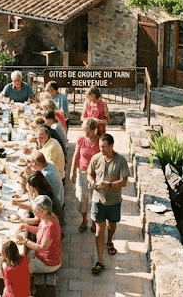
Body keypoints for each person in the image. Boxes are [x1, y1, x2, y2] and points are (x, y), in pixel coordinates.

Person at [87, 133, 129, 275]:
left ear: (112, 145)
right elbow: (90, 173)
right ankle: (100, 261)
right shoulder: (96, 158)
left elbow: (124, 181)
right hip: (98, 200)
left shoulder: (120, 160)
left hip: (113, 201)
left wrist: (109, 185)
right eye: (100, 146)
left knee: (112, 225)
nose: (102, 149)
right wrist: (93, 182)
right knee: (99, 230)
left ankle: (110, 241)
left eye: (105, 147)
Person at [69, 118, 101, 232]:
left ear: (94, 130)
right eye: (85, 131)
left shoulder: (99, 142)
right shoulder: (81, 141)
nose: (86, 134)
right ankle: (84, 220)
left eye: (89, 131)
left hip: (95, 176)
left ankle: (93, 221)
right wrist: (72, 171)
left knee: (94, 199)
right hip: (82, 173)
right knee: (82, 198)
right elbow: (76, 156)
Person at [21, 195, 62, 274]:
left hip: (47, 263)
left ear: (45, 211)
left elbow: (41, 248)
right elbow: (40, 231)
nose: (34, 213)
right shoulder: (48, 216)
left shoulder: (51, 226)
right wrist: (27, 228)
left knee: (20, 269)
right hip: (40, 256)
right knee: (22, 256)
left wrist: (25, 241)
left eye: (36, 210)